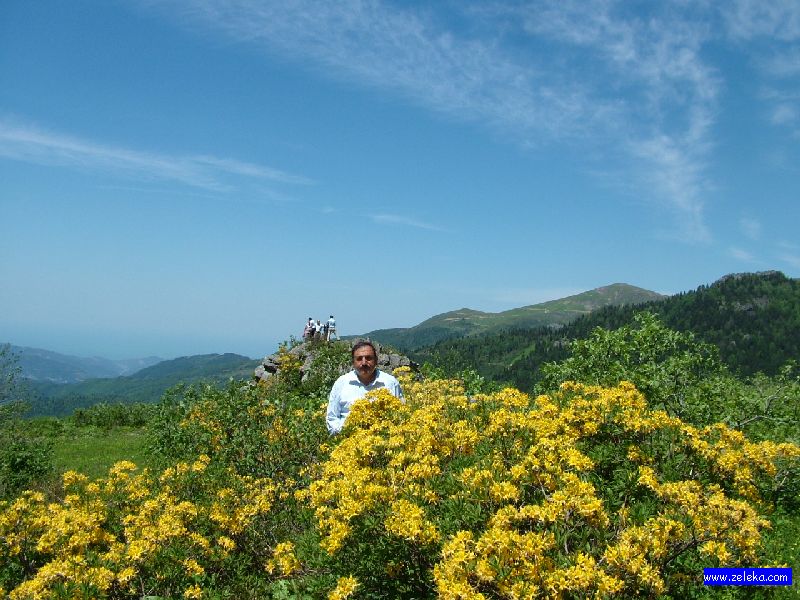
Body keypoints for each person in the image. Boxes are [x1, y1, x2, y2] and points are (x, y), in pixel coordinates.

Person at [326, 341, 403, 435]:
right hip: (347, 438)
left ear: (376, 360)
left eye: (368, 358)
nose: (364, 363)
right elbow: (332, 418)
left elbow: (401, 414)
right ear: (353, 362)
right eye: (359, 359)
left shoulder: (390, 383)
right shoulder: (341, 383)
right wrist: (343, 433)